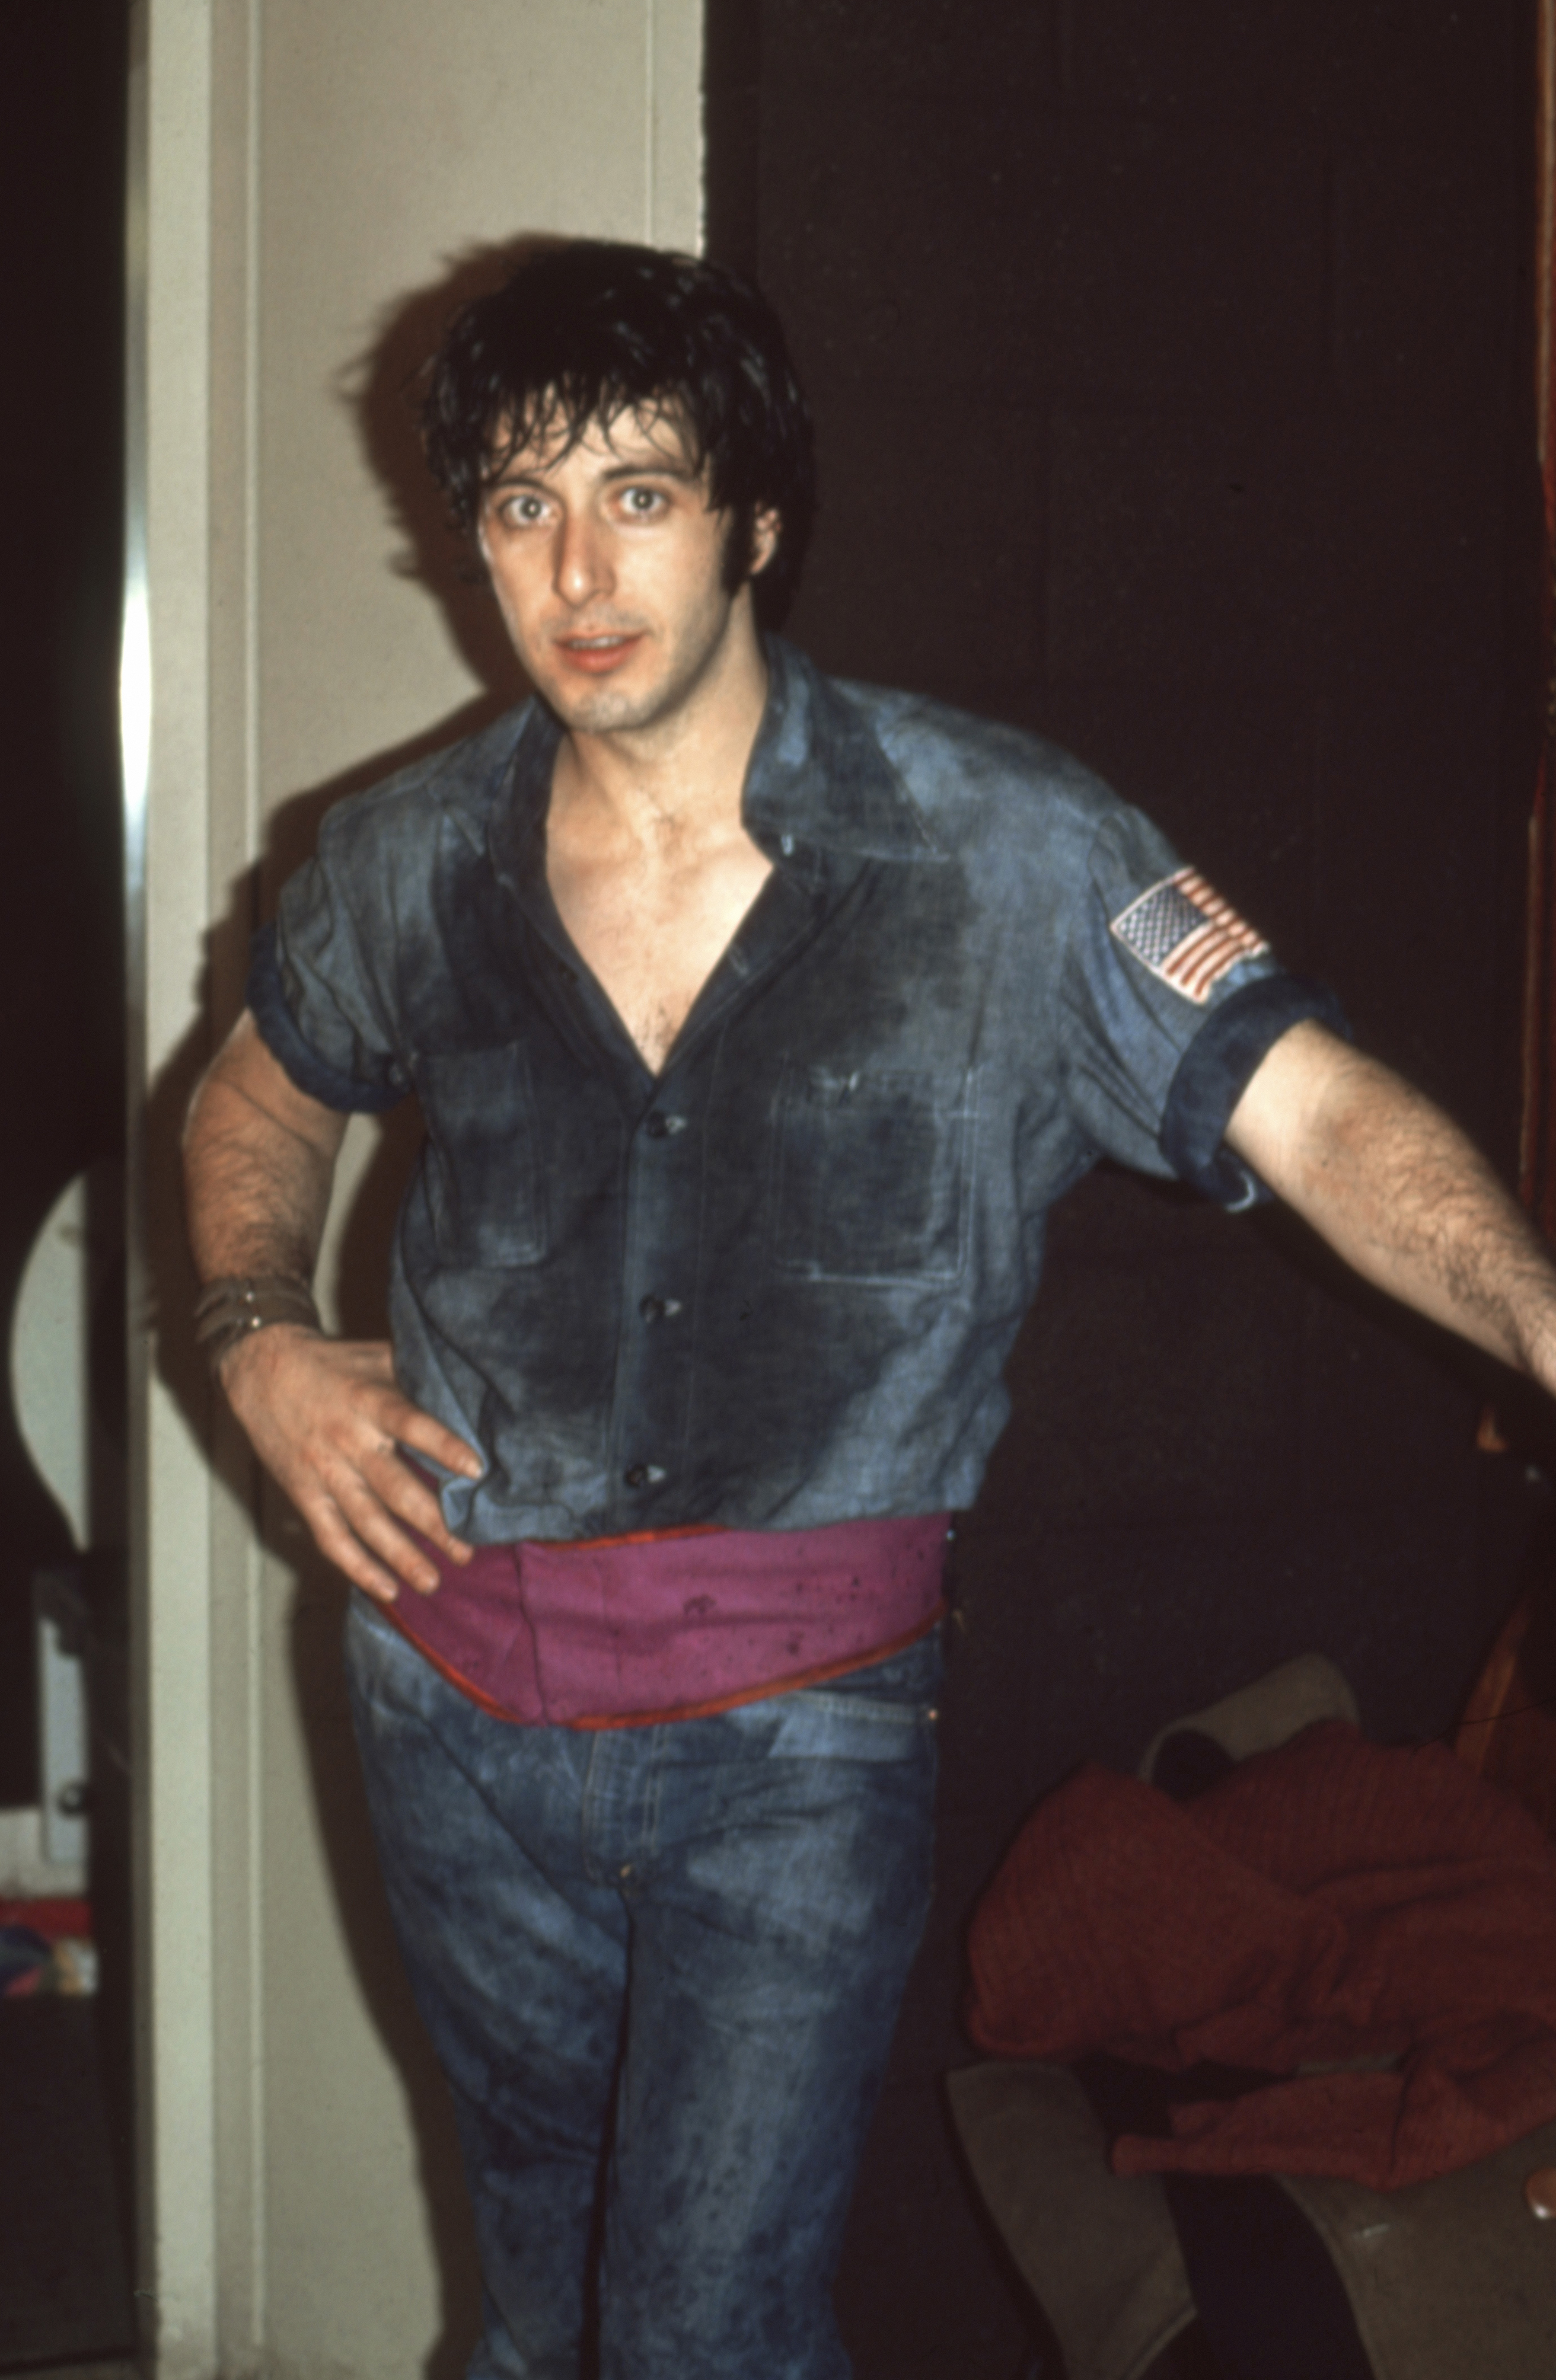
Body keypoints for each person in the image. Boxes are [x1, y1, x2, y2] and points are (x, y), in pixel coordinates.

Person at [182, 240, 1556, 2380]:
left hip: (791, 1758)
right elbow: (254, 1094)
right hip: (449, 1727)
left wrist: (1547, 1324)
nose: (578, 565)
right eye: (522, 507)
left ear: (756, 518)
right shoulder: (398, 859)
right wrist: (258, 1340)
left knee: (711, 2332)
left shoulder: (1004, 846)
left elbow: (1319, 1114)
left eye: (639, 492)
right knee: (536, 2303)